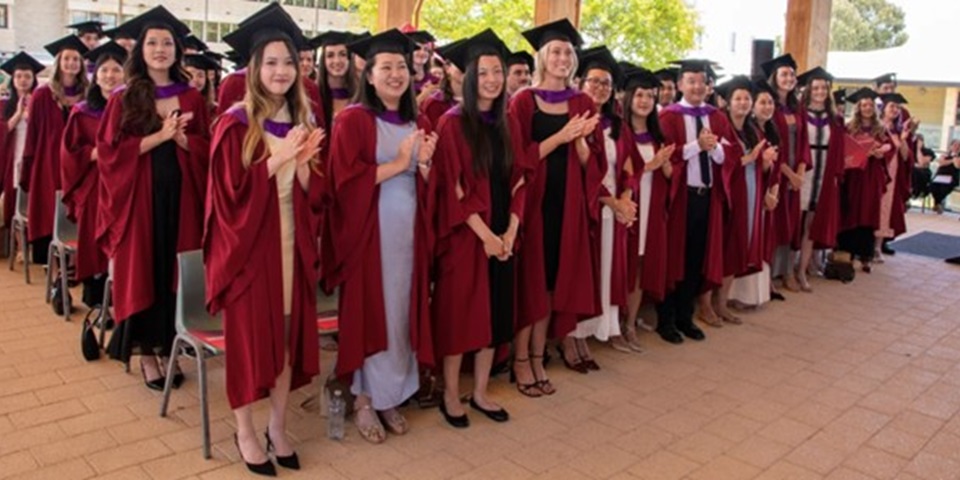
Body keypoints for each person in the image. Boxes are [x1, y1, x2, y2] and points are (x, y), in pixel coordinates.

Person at [205, 13, 325, 474]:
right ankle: (245, 430)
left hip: (293, 245)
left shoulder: (300, 117)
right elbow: (227, 197)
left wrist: (308, 165)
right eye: (271, 62)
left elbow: (316, 194)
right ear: (253, 69)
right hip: (250, 252)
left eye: (289, 62)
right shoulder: (235, 123)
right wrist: (276, 159)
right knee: (251, 345)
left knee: (287, 343)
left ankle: (278, 426)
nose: (281, 71)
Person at [326, 29, 438, 444]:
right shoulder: (354, 119)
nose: (396, 74)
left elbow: (429, 183)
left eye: (402, 67)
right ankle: (364, 399)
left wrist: (425, 166)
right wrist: (401, 162)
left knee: (401, 314)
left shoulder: (419, 120)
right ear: (368, 75)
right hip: (368, 237)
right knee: (372, 313)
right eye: (385, 67)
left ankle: (392, 394)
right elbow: (343, 183)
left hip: (409, 235)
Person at [96, 7, 210, 390]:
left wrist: (183, 140)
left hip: (182, 199)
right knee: (145, 268)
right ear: (140, 50)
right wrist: (161, 137)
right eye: (152, 43)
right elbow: (111, 153)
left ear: (178, 50)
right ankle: (147, 354)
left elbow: (209, 149)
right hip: (140, 202)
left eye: (167, 43)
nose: (160, 49)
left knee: (172, 271)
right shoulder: (124, 97)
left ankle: (169, 348)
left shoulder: (192, 96)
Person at [431, 29, 527, 428]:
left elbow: (522, 177)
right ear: (469, 77)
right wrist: (486, 235)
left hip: (503, 233)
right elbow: (452, 188)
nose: (492, 79)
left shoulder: (507, 120)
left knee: (494, 317)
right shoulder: (452, 123)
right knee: (460, 315)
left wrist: (510, 231)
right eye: (484, 72)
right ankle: (452, 395)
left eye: (497, 72)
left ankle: (482, 392)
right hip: (468, 238)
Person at [510, 18, 603, 396]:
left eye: (568, 52)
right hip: (533, 202)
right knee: (529, 279)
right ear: (543, 58)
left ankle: (538, 355)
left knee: (551, 281)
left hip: (567, 204)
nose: (563, 57)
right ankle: (519, 360)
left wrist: (580, 143)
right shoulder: (523, 100)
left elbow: (591, 163)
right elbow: (517, 158)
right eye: (556, 52)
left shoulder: (582, 101)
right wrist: (562, 136)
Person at [563, 46, 635, 370]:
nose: (600, 88)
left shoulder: (617, 125)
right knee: (580, 274)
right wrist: (614, 201)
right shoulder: (577, 120)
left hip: (610, 211)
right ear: (580, 82)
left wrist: (628, 200)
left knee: (600, 275)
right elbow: (583, 170)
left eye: (606, 83)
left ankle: (586, 336)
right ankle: (570, 339)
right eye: (594, 81)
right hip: (582, 207)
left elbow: (631, 166)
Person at [656, 59, 732, 344]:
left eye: (702, 81)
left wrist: (713, 150)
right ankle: (665, 321)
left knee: (694, 260)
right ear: (679, 85)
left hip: (706, 199)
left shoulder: (717, 117)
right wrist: (696, 146)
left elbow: (728, 156)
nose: (697, 86)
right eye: (691, 81)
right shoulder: (668, 117)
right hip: (679, 199)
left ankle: (685, 318)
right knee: (673, 258)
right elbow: (667, 156)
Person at [60, 42, 126, 308]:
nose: (110, 76)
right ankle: (98, 300)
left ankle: (121, 299)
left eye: (116, 70)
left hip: (125, 187)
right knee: (96, 243)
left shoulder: (132, 110)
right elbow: (68, 154)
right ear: (95, 76)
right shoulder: (83, 111)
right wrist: (102, 152)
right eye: (104, 71)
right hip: (96, 187)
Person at [616, 66, 674, 352]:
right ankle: (615, 324)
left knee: (639, 267)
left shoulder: (656, 135)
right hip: (628, 210)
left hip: (650, 211)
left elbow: (670, 176)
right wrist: (648, 167)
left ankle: (630, 324)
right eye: (639, 95)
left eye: (650, 96)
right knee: (621, 267)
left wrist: (665, 167)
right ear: (628, 98)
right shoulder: (619, 130)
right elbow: (618, 174)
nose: (644, 101)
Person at [21, 35, 88, 265]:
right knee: (49, 204)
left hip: (79, 162)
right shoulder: (43, 94)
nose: (71, 63)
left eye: (76, 59)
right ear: (58, 62)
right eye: (67, 58)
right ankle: (51, 257)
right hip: (48, 160)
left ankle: (76, 259)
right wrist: (29, 164)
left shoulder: (88, 94)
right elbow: (33, 133)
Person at [726, 78, 781, 310]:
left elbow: (765, 166)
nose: (743, 102)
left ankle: (744, 296)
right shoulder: (725, 126)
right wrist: (752, 160)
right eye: (738, 98)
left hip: (753, 190)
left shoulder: (755, 131)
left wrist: (766, 165)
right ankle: (726, 298)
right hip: (736, 192)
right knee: (733, 241)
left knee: (748, 239)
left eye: (746, 98)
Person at [762, 54, 809, 294]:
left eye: (792, 74)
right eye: (784, 74)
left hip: (794, 177)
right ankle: (768, 276)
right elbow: (770, 143)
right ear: (774, 78)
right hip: (777, 175)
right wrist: (788, 174)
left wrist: (800, 172)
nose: (789, 78)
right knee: (773, 224)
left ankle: (788, 272)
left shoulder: (797, 107)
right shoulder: (769, 106)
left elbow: (804, 143)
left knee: (793, 225)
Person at [795, 67, 844, 292]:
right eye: (815, 87)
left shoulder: (835, 119)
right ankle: (785, 270)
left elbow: (839, 150)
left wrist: (835, 176)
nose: (820, 91)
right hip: (803, 171)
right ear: (808, 90)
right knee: (795, 221)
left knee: (811, 224)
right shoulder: (799, 113)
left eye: (823, 87)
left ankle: (802, 271)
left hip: (823, 174)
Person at [837, 87, 892, 272]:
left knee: (868, 211)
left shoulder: (880, 128)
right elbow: (844, 147)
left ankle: (866, 255)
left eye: (870, 104)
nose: (867, 108)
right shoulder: (850, 127)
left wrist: (879, 151)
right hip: (854, 174)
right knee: (852, 209)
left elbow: (888, 147)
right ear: (858, 107)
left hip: (871, 174)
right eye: (863, 105)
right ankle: (848, 252)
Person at [0, 52, 42, 244]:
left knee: (33, 198)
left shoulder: (41, 102)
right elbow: (3, 130)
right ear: (12, 79)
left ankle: (32, 241)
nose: (23, 80)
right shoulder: (3, 104)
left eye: (27, 76)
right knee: (14, 197)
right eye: (18, 76)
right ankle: (19, 243)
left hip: (34, 155)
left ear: (34, 79)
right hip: (12, 155)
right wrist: (17, 114)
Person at [875, 92, 913, 262]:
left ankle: (877, 247)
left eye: (897, 107)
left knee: (886, 210)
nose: (895, 110)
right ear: (883, 109)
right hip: (878, 174)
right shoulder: (877, 128)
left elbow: (906, 156)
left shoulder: (898, 131)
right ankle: (866, 247)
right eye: (892, 106)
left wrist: (903, 139)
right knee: (873, 208)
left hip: (894, 175)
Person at [314, 31, 357, 126]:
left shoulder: (360, 96)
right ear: (323, 61)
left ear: (349, 59)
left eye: (342, 54)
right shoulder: (314, 96)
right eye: (330, 55)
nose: (337, 61)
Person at [930, 140, 959, 212]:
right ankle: (938, 204)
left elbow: (957, 165)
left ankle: (937, 204)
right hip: (940, 175)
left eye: (958, 145)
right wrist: (952, 160)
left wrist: (954, 157)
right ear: (951, 146)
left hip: (952, 177)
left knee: (944, 187)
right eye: (954, 145)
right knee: (933, 186)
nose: (956, 147)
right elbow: (941, 163)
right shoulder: (945, 154)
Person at [911, 134, 934, 201]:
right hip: (912, 172)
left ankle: (917, 192)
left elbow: (922, 162)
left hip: (924, 172)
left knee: (917, 172)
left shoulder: (928, 151)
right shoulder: (911, 150)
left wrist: (918, 149)